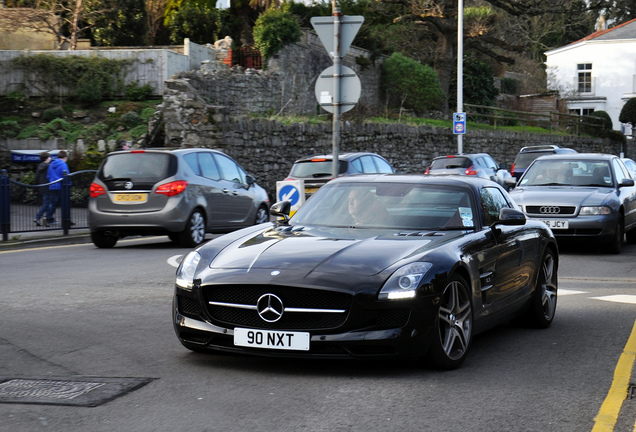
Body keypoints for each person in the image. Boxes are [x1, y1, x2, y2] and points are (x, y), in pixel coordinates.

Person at [44, 150, 70, 226]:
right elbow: (66, 176)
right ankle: (66, 220)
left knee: (53, 203)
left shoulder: (51, 164)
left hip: (52, 186)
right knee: (65, 204)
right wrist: (69, 184)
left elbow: (48, 176)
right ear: (65, 157)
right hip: (62, 186)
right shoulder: (63, 165)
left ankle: (48, 217)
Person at [33, 151, 51, 226]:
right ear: (47, 158)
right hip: (48, 186)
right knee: (47, 204)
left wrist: (35, 188)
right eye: (49, 157)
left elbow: (36, 177)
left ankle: (46, 218)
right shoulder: (49, 166)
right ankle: (38, 217)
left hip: (41, 186)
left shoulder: (39, 166)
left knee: (46, 203)